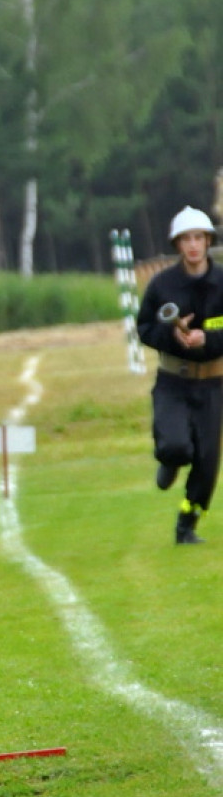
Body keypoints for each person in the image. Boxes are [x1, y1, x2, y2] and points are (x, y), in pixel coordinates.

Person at [136, 206, 223, 544]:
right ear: (177, 244)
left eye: (198, 238)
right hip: (173, 381)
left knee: (207, 464)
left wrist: (209, 339)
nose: (193, 245)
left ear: (207, 241)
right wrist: (171, 337)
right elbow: (144, 328)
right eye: (186, 239)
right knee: (175, 444)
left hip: (213, 383)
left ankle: (187, 523)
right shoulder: (161, 285)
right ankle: (169, 460)